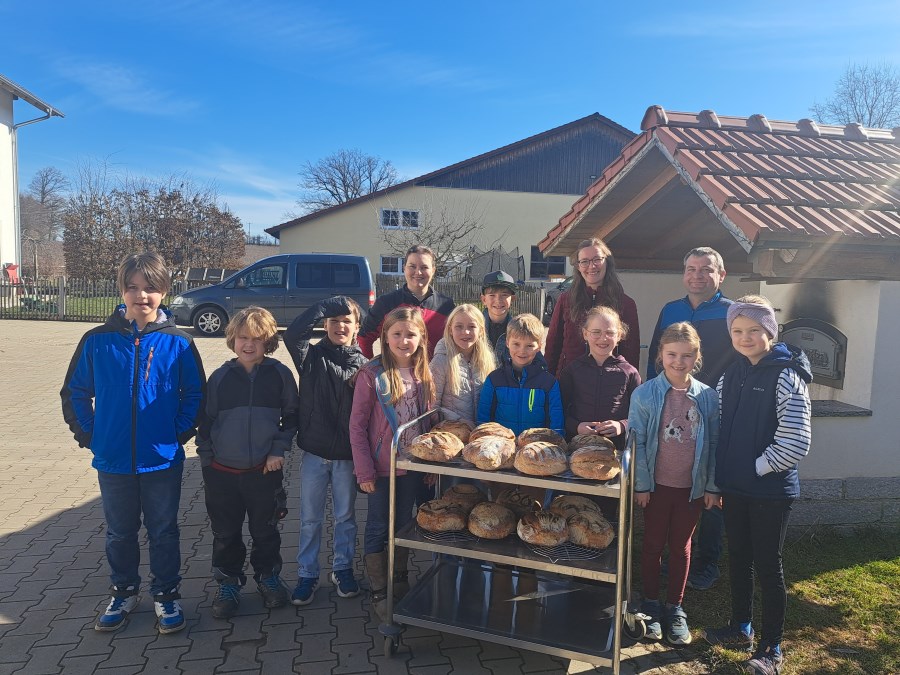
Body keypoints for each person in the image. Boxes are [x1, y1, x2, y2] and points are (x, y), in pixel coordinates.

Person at [61, 252, 205, 634]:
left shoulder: (179, 342)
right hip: (113, 460)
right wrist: (91, 435)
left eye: (150, 288)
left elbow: (195, 394)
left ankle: (166, 594)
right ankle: (123, 591)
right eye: (133, 287)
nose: (142, 295)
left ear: (164, 292)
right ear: (122, 290)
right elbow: (75, 392)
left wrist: (177, 433)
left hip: (162, 459)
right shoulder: (97, 340)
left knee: (164, 531)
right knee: (120, 532)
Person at [703, 296, 812, 675]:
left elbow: (796, 441)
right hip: (735, 489)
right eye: (737, 331)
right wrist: (720, 479)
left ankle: (771, 648)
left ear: (770, 332)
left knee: (768, 566)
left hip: (770, 492)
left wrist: (754, 468)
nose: (745, 337)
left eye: (753, 330)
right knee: (739, 558)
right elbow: (718, 429)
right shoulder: (731, 375)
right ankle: (740, 628)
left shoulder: (787, 376)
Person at [196, 307, 298, 619]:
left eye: (257, 339)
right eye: (243, 338)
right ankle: (228, 583)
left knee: (265, 531)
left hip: (264, 472)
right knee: (225, 533)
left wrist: (278, 449)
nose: (249, 345)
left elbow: (292, 417)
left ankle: (268, 577)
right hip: (221, 473)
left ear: (268, 342)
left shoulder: (280, 375)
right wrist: (207, 459)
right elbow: (205, 422)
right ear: (232, 339)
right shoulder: (220, 377)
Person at [647, 247, 736, 591]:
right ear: (684, 273)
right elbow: (655, 359)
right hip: (672, 411)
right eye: (691, 269)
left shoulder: (731, 313)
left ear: (721, 275)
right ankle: (674, 554)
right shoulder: (671, 310)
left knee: (710, 487)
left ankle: (706, 561)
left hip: (714, 410)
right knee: (675, 484)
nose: (697, 275)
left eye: (706, 269)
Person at [629, 322, 719, 646]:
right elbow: (637, 442)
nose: (679, 362)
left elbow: (715, 444)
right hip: (656, 488)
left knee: (681, 547)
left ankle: (675, 607)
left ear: (697, 356)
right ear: (660, 354)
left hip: (690, 489)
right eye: (672, 354)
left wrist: (712, 486)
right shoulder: (644, 394)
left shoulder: (707, 397)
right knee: (653, 544)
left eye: (686, 355)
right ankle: (651, 604)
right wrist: (641, 485)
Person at [350, 307, 435, 620]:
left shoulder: (423, 372)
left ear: (421, 338)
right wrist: (364, 471)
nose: (403, 340)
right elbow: (357, 426)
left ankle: (398, 579)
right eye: (397, 334)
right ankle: (379, 589)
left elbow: (428, 421)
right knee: (377, 526)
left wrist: (428, 466)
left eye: (410, 334)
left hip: (412, 467)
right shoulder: (372, 374)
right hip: (381, 469)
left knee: (402, 524)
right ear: (385, 337)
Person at [284, 296, 368, 606]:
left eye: (347, 321)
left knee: (345, 517)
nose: (340, 326)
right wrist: (322, 307)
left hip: (347, 456)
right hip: (315, 453)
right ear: (325, 324)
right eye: (334, 321)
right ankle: (307, 573)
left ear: (357, 327)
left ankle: (342, 569)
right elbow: (293, 334)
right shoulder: (311, 356)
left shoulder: (364, 365)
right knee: (310, 518)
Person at [545, 238, 640, 375]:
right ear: (578, 267)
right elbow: (553, 346)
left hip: (610, 382)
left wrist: (630, 384)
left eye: (597, 259)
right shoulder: (565, 300)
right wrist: (547, 381)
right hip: (568, 381)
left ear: (607, 262)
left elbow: (631, 352)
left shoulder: (626, 304)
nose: (591, 266)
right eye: (584, 261)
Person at [558, 306, 641, 450]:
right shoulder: (572, 371)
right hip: (577, 449)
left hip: (615, 450)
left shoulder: (629, 372)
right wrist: (576, 426)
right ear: (585, 334)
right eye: (596, 332)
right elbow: (558, 410)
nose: (603, 338)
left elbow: (641, 414)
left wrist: (622, 425)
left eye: (610, 333)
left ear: (619, 335)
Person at [358, 244, 455, 359]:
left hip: (434, 370)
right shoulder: (386, 303)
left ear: (433, 270)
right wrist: (370, 367)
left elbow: (457, 343)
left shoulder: (446, 306)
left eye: (424, 267)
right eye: (412, 266)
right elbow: (363, 338)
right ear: (404, 268)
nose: (418, 272)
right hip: (393, 370)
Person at [477, 313, 564, 437]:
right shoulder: (494, 379)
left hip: (535, 445)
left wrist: (557, 441)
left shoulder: (549, 383)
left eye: (529, 346)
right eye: (516, 344)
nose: (522, 351)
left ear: (539, 346)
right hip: (501, 444)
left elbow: (556, 424)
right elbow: (483, 419)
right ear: (507, 342)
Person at [430, 303, 496, 423]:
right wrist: (459, 421)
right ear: (450, 329)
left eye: (472, 326)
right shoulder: (441, 361)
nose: (465, 332)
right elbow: (432, 407)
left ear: (481, 330)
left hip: (480, 430)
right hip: (451, 430)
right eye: (459, 327)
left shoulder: (487, 360)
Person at [480, 270, 517, 364]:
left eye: (504, 295)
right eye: (492, 295)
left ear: (512, 299)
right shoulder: (474, 327)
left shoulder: (519, 329)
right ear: (484, 299)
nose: (498, 300)